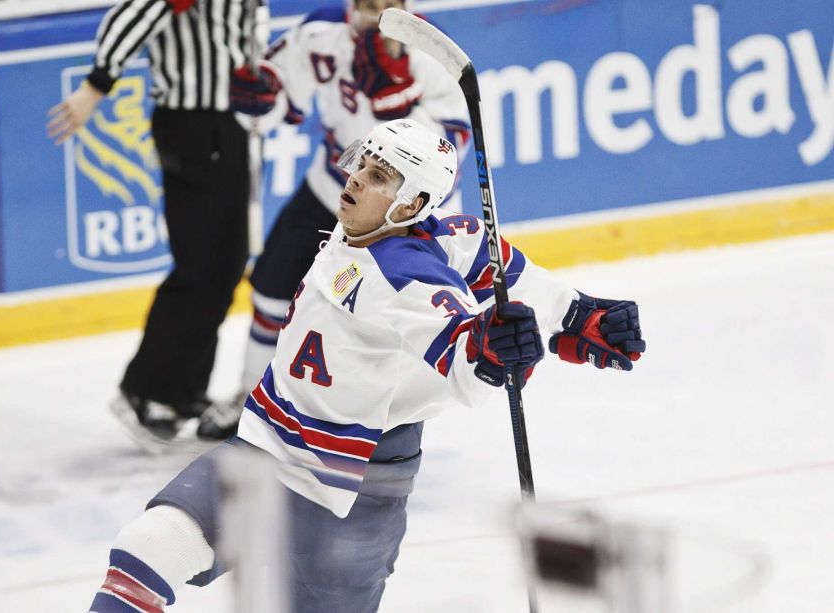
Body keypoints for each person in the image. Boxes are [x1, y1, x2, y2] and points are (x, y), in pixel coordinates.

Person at [87, 119, 647, 612]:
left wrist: (486, 350)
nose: (355, 178)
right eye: (364, 163)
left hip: (351, 486)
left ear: (410, 206)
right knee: (148, 547)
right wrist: (576, 312)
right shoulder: (415, 232)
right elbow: (485, 254)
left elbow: (456, 344)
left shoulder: (402, 277)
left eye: (380, 176)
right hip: (266, 447)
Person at [195, 0, 472, 440]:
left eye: (389, 2)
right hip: (336, 186)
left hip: (401, 212)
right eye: (367, 2)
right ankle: (251, 399)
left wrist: (396, 101)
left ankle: (375, 423)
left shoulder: (433, 52)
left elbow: (452, 147)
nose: (378, 11)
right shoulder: (321, 32)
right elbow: (277, 96)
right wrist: (258, 98)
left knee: (381, 320)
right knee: (271, 288)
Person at [47, 0, 269, 452]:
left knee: (223, 264)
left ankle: (182, 390)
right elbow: (135, 11)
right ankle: (147, 391)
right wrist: (96, 84)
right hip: (196, 124)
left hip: (225, 123)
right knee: (204, 264)